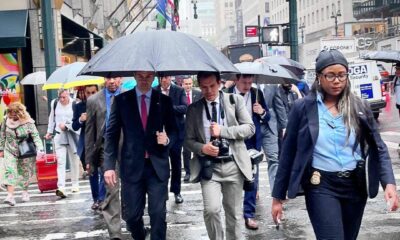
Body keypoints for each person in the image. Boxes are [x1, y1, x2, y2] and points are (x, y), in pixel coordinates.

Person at [271, 49, 399, 239]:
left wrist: (389, 184)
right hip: (321, 185)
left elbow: (379, 148)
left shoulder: (359, 106)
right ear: (319, 77)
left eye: (341, 75)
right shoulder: (303, 108)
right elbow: (287, 153)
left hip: (355, 186)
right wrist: (277, 197)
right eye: (330, 75)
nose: (337, 80)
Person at [104, 71, 177, 240]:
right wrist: (108, 166)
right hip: (131, 166)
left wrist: (166, 140)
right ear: (135, 76)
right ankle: (140, 234)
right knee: (131, 216)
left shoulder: (164, 101)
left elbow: (175, 131)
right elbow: (112, 134)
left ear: (153, 77)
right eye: (141, 76)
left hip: (156, 166)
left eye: (148, 76)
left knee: (158, 214)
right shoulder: (122, 101)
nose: (144, 80)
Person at [184, 71, 255, 240]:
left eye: (212, 86)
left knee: (234, 214)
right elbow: (187, 141)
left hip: (233, 164)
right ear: (199, 86)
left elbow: (250, 128)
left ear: (220, 83)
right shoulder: (193, 109)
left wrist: (223, 131)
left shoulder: (234, 100)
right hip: (209, 167)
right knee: (211, 210)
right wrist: (203, 148)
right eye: (204, 87)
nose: (208, 90)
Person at [226, 74, 270, 230]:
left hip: (252, 141)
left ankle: (249, 215)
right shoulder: (227, 93)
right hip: (233, 140)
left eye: (250, 82)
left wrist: (261, 111)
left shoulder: (257, 93)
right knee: (232, 178)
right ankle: (233, 214)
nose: (247, 85)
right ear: (236, 80)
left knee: (252, 178)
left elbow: (267, 118)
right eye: (244, 82)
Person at [85, 77, 123, 239]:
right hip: (106, 150)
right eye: (108, 78)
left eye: (115, 77)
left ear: (120, 79)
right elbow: (90, 130)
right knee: (112, 191)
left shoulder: (130, 95)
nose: (112, 81)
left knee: (131, 192)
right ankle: (115, 234)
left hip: (129, 149)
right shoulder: (94, 100)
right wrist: (88, 160)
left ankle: (135, 224)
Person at [0, 102, 43, 206]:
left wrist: (40, 148)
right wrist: (1, 149)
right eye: (11, 113)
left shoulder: (28, 122)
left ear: (20, 113)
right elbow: (2, 134)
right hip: (10, 150)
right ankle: (10, 196)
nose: (12, 116)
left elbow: (35, 135)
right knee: (10, 171)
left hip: (25, 151)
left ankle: (25, 191)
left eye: (15, 114)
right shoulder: (6, 120)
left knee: (25, 172)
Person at [155, 75, 187, 204]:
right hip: (160, 132)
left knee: (176, 162)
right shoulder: (154, 91)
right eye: (161, 77)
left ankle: (176, 191)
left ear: (170, 78)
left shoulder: (179, 90)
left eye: (166, 77)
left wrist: (168, 108)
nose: (164, 80)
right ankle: (161, 191)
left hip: (176, 132)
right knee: (161, 163)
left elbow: (184, 107)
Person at [72, 84, 103, 210]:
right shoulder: (79, 106)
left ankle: (102, 198)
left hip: (102, 142)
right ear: (84, 93)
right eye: (88, 92)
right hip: (87, 144)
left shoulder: (103, 103)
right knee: (92, 172)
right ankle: (96, 199)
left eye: (93, 92)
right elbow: (74, 126)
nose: (91, 95)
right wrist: (80, 119)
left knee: (104, 169)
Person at [45, 89, 80, 198]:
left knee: (74, 160)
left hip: (72, 134)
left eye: (64, 97)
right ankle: (61, 186)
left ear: (68, 95)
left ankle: (75, 183)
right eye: (60, 97)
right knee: (60, 161)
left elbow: (77, 120)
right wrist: (49, 132)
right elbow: (52, 118)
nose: (62, 99)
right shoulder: (54, 103)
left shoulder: (75, 103)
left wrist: (67, 125)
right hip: (59, 135)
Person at [261, 84, 287, 194]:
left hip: (270, 126)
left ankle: (276, 192)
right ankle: (253, 189)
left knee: (273, 159)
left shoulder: (272, 85)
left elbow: (278, 105)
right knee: (252, 160)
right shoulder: (245, 82)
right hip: (252, 127)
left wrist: (284, 126)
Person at [182, 76, 202, 182]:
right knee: (186, 151)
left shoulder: (198, 93)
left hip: (197, 125)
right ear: (182, 84)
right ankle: (188, 172)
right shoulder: (180, 94)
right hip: (184, 126)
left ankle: (198, 171)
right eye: (186, 84)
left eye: (190, 84)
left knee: (197, 149)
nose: (188, 86)